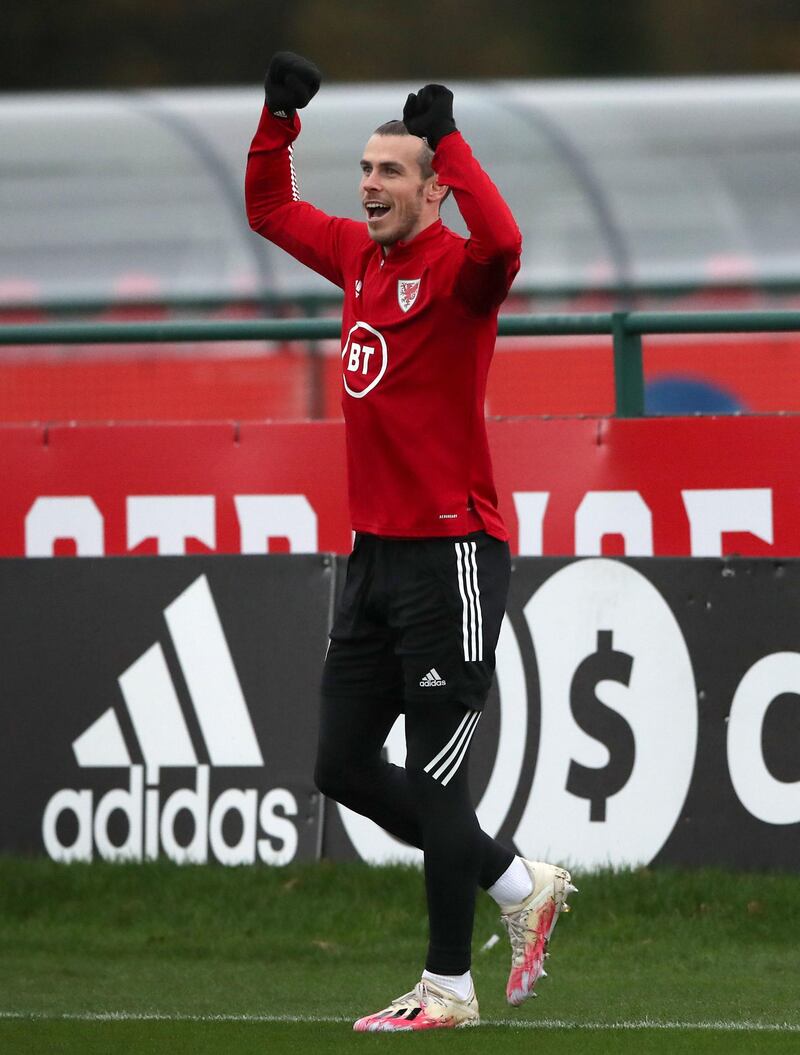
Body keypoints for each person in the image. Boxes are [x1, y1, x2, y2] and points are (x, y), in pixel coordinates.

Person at [246, 51, 576, 1033]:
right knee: (340, 765)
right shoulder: (354, 256)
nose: (368, 184)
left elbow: (505, 237)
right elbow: (269, 209)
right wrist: (276, 119)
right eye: (364, 170)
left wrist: (451, 136)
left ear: (432, 189)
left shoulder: (462, 276)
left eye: (391, 171)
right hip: (374, 556)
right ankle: (517, 879)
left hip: (453, 555)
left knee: (437, 777)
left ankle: (447, 988)